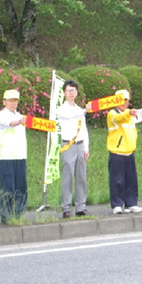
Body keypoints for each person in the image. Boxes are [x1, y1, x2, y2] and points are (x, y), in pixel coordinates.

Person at [58, 80, 91, 218]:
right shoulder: (62, 109)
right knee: (67, 177)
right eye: (69, 91)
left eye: (73, 91)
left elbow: (84, 130)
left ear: (77, 93)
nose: (71, 93)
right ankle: (66, 207)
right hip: (68, 145)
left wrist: (86, 148)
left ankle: (80, 207)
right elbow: (69, 116)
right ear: (64, 93)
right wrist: (84, 111)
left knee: (81, 177)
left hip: (80, 145)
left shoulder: (79, 109)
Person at [0, 89, 27, 224]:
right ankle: (6, 216)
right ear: (4, 102)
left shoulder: (20, 116)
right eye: (10, 100)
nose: (13, 103)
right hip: (5, 157)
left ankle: (19, 215)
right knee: (8, 187)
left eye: (15, 101)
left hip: (20, 156)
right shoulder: (0, 115)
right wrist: (20, 121)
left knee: (21, 187)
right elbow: (11, 123)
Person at [107, 90, 142, 215]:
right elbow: (119, 118)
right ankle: (117, 204)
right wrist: (129, 113)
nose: (124, 103)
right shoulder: (112, 113)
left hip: (129, 151)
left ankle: (131, 203)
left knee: (131, 180)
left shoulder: (130, 115)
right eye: (121, 100)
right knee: (117, 180)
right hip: (117, 151)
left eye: (126, 100)